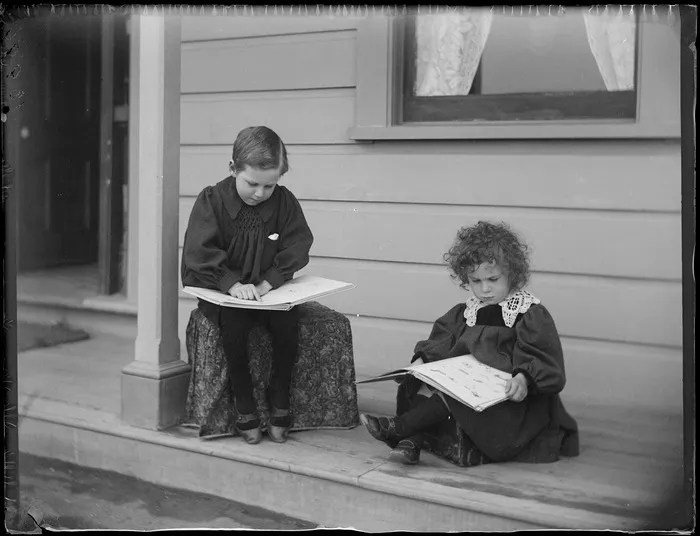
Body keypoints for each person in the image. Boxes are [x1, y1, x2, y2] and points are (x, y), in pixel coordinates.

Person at [360, 221, 579, 466]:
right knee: (422, 385)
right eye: (475, 281)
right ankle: (411, 442)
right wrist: (423, 361)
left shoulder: (528, 314)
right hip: (466, 381)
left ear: (513, 274)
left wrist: (523, 378)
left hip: (507, 396)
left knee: (453, 395)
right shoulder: (466, 312)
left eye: (493, 279)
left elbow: (542, 357)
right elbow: (443, 339)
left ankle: (400, 429)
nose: (485, 289)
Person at [181, 126, 314, 445]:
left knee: (288, 325)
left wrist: (272, 279)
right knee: (235, 327)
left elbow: (297, 244)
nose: (259, 193)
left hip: (268, 291)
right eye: (252, 183)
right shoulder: (212, 200)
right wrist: (231, 283)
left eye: (269, 185)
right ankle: (244, 400)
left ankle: (279, 392)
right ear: (233, 168)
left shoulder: (284, 203)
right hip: (223, 293)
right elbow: (199, 251)